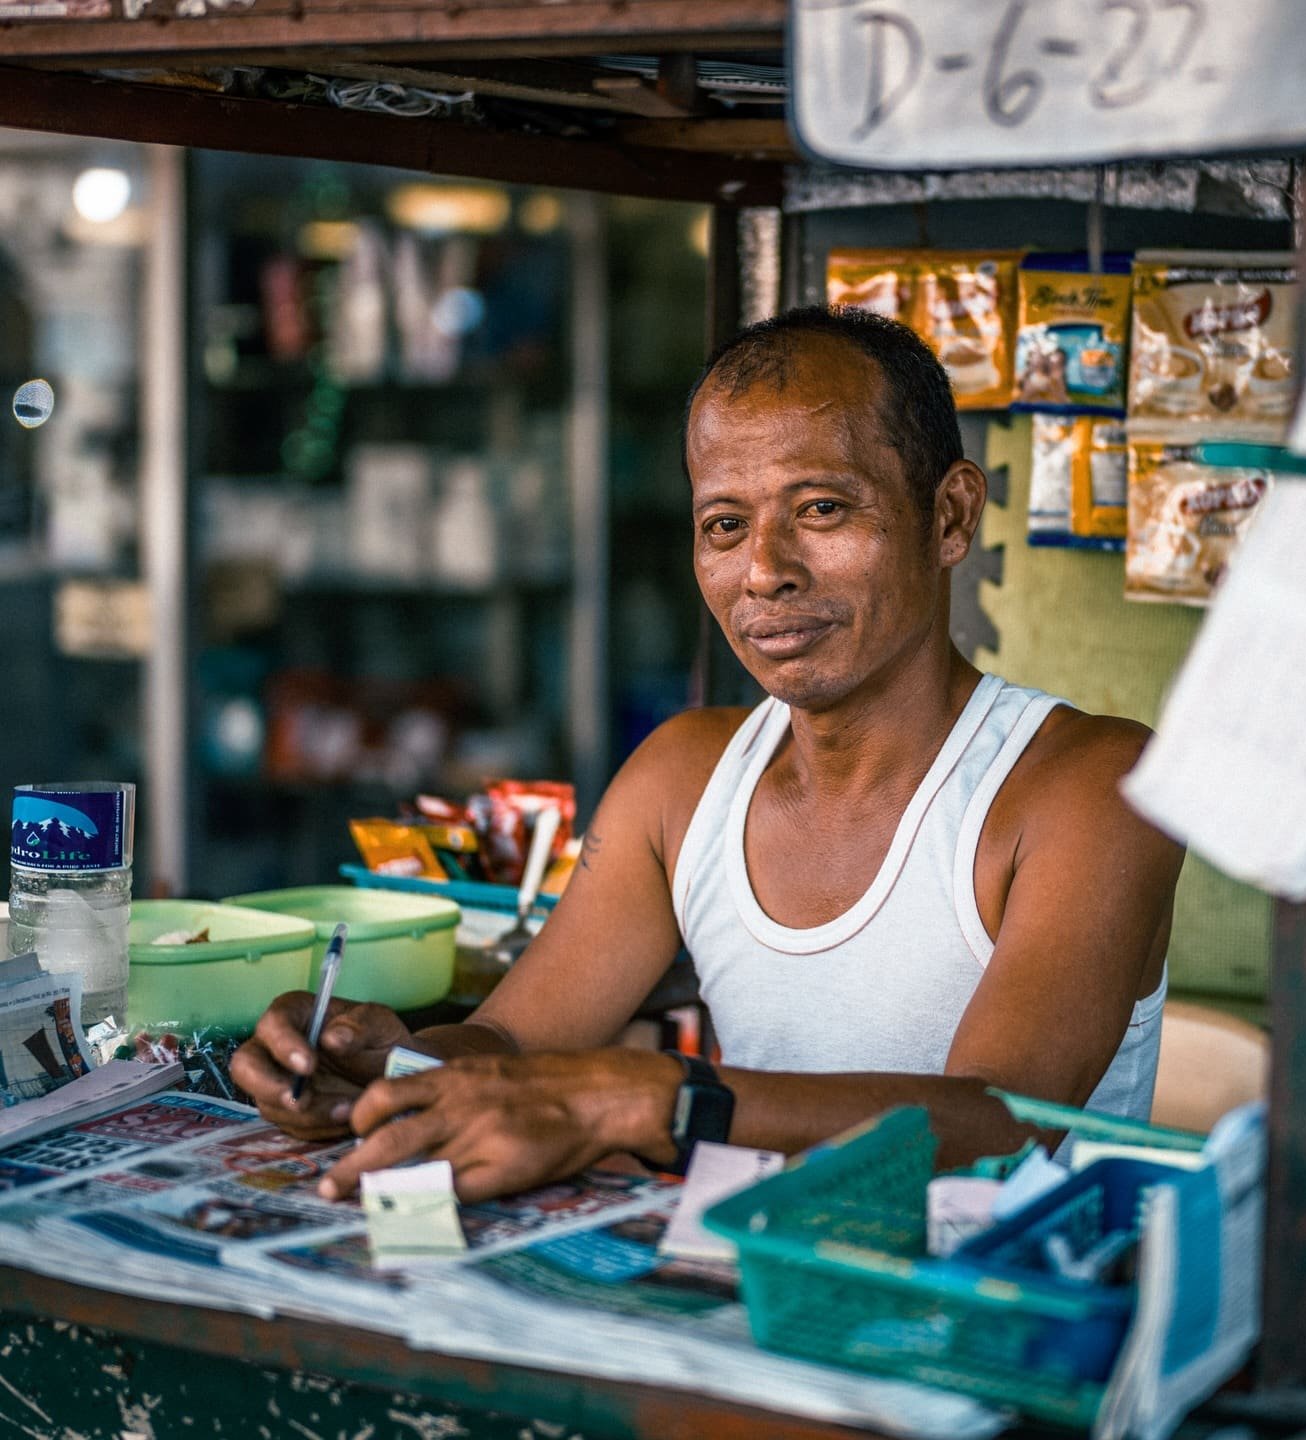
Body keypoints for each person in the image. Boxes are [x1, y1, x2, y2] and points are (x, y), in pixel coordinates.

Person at [232, 306, 1184, 1202]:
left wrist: (659, 1099)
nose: (765, 570)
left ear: (949, 517)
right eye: (725, 526)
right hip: (762, 1300)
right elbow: (515, 1040)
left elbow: (1001, 1125)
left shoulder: (1090, 788)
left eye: (821, 510)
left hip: (1010, 1338)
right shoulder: (684, 776)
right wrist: (389, 1070)